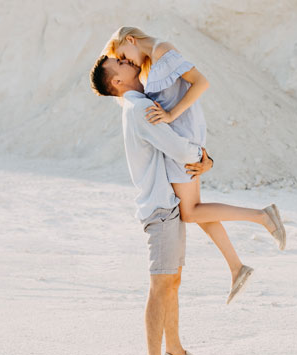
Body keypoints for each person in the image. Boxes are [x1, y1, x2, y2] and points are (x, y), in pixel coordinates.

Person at [100, 27, 286, 304]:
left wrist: (171, 115)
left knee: (191, 211)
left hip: (181, 139)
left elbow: (201, 82)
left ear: (130, 40)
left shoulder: (162, 50)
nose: (128, 61)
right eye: (122, 61)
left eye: (124, 55)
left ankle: (262, 217)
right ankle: (237, 267)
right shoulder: (152, 61)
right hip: (180, 138)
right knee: (194, 210)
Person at [90, 56, 210, 355]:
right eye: (123, 63)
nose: (131, 62)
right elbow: (178, 149)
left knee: (173, 280)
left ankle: (174, 351)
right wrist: (204, 159)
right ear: (117, 82)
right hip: (159, 207)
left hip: (166, 203)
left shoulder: (140, 105)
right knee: (160, 286)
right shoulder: (139, 109)